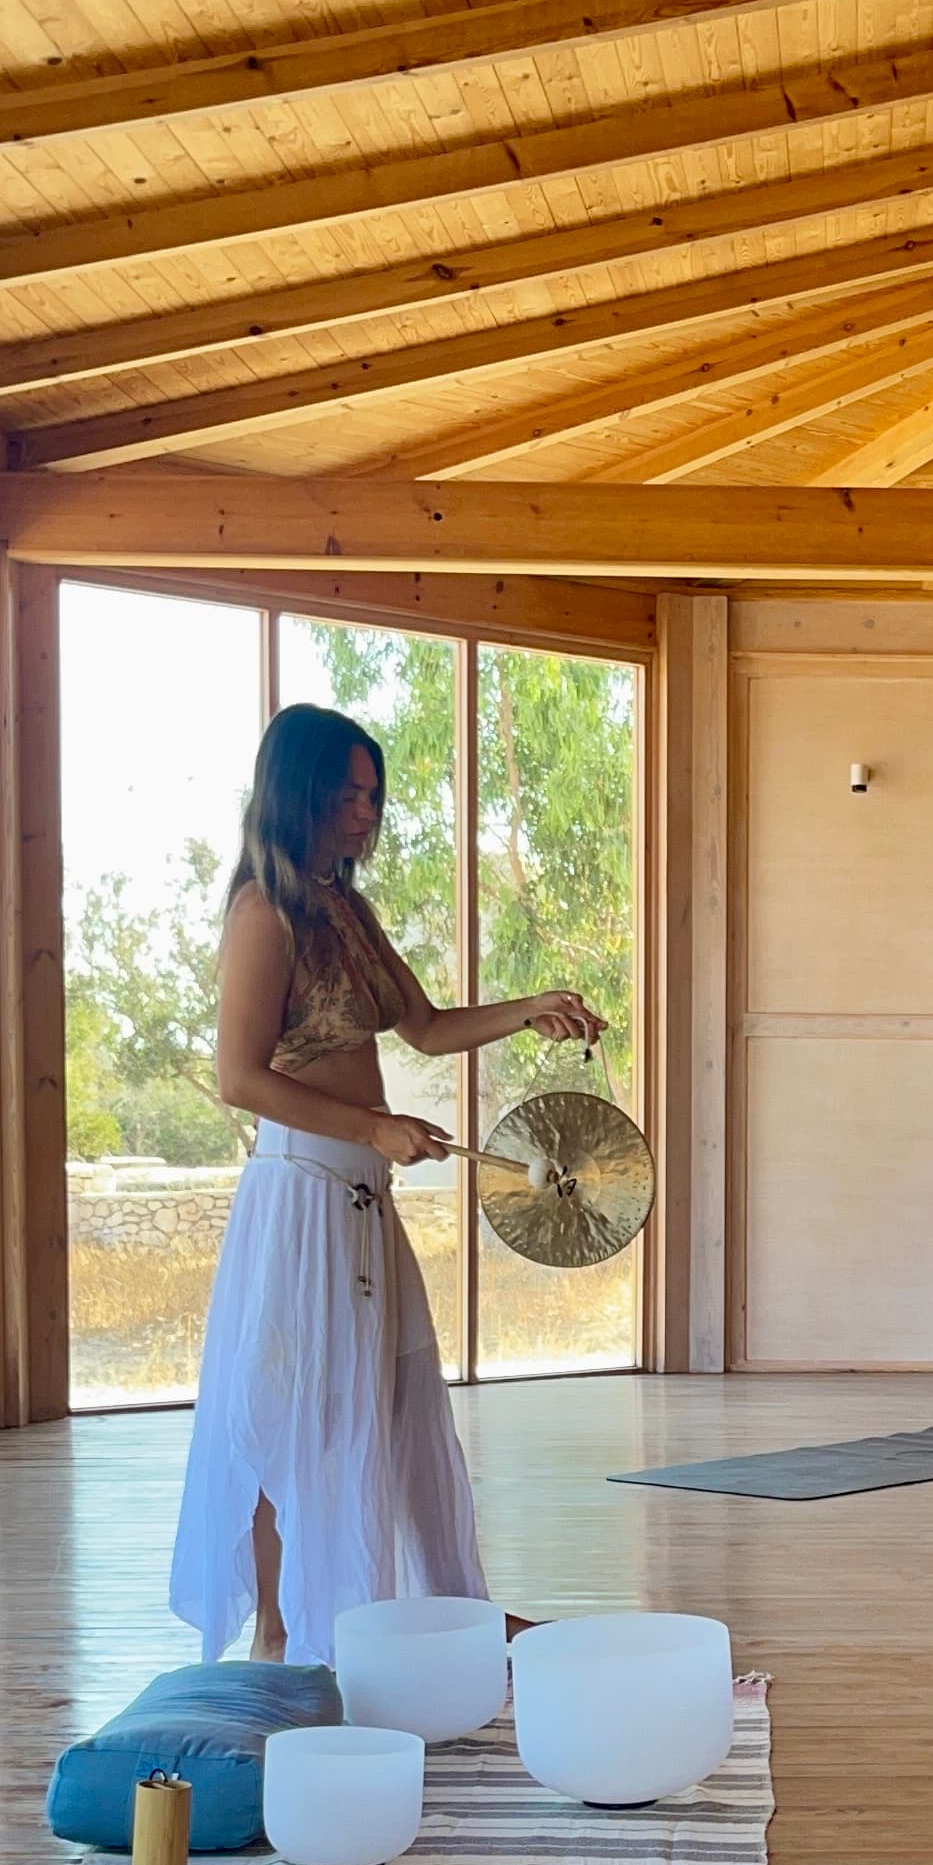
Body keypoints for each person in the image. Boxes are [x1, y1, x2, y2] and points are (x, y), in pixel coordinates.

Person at [171, 703, 606, 1662]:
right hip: (299, 1202)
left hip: (361, 1202)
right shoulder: (264, 912)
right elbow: (241, 1076)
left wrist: (531, 1009)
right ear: (303, 792)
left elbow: (426, 1026)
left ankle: (431, 1615)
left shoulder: (344, 909)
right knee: (288, 1410)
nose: (368, 812)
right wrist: (372, 1124)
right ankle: (282, 1638)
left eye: (375, 795)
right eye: (351, 793)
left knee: (391, 1406)